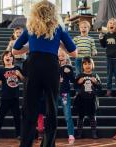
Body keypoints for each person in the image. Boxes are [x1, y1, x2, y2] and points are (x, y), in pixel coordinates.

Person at [12, 1, 77, 147]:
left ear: (35, 12)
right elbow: (74, 53)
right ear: (53, 13)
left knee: (29, 107)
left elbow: (15, 51)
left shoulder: (30, 28)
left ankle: (26, 143)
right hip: (51, 66)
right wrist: (59, 44)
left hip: (33, 64)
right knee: (52, 106)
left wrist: (31, 47)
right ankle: (48, 144)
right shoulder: (59, 28)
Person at [0, 51, 24, 140]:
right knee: (1, 116)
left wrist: (19, 74)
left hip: (15, 97)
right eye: (6, 56)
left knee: (17, 117)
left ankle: (19, 134)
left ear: (13, 59)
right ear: (3, 59)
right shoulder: (1, 70)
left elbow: (23, 79)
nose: (8, 57)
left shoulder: (17, 68)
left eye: (10, 56)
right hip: (5, 97)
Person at [74, 57, 102, 139]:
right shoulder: (80, 75)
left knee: (92, 116)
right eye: (85, 64)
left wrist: (95, 82)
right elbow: (75, 86)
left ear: (92, 65)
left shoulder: (95, 75)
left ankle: (94, 133)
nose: (87, 65)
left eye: (89, 63)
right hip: (81, 98)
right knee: (80, 116)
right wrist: (78, 82)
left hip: (92, 99)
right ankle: (79, 133)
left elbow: (100, 87)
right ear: (82, 66)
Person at [99, 18, 116, 97]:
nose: (112, 24)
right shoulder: (106, 35)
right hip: (109, 58)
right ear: (108, 25)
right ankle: (109, 90)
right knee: (109, 75)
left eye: (114, 23)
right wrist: (101, 38)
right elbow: (103, 45)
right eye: (110, 23)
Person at [58, 48, 75, 142]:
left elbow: (73, 81)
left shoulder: (68, 67)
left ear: (66, 57)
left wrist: (69, 73)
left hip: (64, 93)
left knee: (67, 113)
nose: (61, 57)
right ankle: (50, 133)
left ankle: (71, 134)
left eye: (62, 56)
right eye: (59, 56)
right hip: (54, 94)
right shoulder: (54, 67)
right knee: (51, 113)